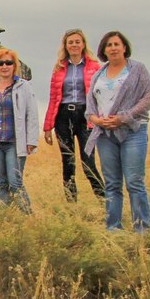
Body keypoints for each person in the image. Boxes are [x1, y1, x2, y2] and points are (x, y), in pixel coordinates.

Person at [85, 30, 150, 232]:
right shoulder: (99, 74)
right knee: (112, 183)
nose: (113, 48)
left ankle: (142, 229)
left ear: (124, 48)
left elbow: (147, 98)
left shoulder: (137, 70)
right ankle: (113, 228)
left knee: (134, 181)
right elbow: (90, 107)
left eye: (116, 44)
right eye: (109, 45)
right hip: (105, 135)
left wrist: (123, 117)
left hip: (133, 130)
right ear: (103, 50)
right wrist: (97, 120)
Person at [0, 48, 39, 212]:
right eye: (0, 63)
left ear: (14, 65)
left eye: (8, 63)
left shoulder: (23, 87)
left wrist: (31, 141)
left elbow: (32, 114)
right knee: (1, 183)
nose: (4, 66)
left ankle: (28, 218)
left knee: (15, 182)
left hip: (14, 143)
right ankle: (5, 219)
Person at [44, 29, 104, 201]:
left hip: (86, 117)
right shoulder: (59, 68)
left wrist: (102, 120)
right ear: (66, 46)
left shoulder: (95, 67)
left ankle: (105, 201)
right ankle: (71, 204)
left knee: (88, 162)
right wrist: (48, 127)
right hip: (63, 116)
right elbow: (53, 98)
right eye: (70, 42)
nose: (74, 45)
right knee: (68, 162)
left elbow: (101, 96)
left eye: (77, 41)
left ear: (83, 44)